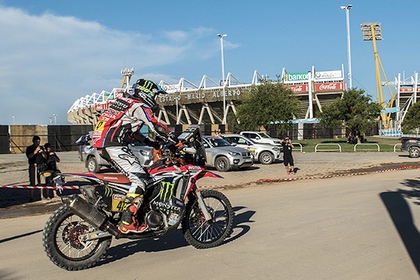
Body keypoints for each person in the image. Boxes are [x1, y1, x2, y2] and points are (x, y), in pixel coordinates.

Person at [92, 78, 180, 234]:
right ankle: (127, 221)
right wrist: (175, 140)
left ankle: (130, 209)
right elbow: (154, 124)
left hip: (106, 144)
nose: (155, 99)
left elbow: (131, 131)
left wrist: (150, 142)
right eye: (154, 95)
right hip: (114, 146)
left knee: (141, 173)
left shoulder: (123, 102)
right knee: (140, 178)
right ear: (146, 93)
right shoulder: (139, 106)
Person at [25, 135, 43, 202]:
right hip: (32, 166)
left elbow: (45, 157)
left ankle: (41, 196)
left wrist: (42, 152)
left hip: (40, 166)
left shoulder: (41, 148)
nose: (37, 143)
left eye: (38, 142)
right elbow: (29, 156)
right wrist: (35, 151)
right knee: (32, 181)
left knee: (40, 181)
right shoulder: (29, 148)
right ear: (33, 142)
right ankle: (31, 196)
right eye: (36, 142)